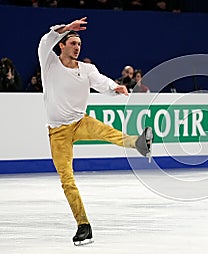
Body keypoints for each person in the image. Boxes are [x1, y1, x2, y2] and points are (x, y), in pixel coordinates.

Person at [38, 17, 153, 246]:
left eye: (79, 44)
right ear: (62, 45)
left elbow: (101, 82)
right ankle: (83, 225)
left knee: (108, 132)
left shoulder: (87, 69)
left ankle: (139, 144)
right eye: (72, 43)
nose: (77, 47)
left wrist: (115, 87)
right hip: (58, 132)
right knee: (67, 180)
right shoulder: (49, 62)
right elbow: (45, 40)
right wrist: (67, 28)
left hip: (81, 122)